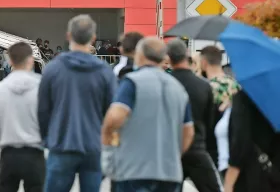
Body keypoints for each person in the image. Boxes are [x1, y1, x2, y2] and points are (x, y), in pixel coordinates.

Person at [102, 37, 194, 192]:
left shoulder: (132, 82)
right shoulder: (178, 88)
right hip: (170, 173)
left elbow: (113, 119)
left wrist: (107, 150)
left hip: (133, 170)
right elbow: (188, 132)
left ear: (140, 55)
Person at [38, 14, 115, 192]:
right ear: (93, 38)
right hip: (94, 146)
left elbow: (43, 110)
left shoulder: (53, 69)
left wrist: (47, 138)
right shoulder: (105, 72)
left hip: (61, 144)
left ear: (68, 36)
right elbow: (112, 112)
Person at [0, 42, 44, 192]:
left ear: (10, 60)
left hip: (9, 153)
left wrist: (5, 142)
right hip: (35, 153)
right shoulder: (42, 87)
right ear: (31, 60)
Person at [167, 39, 222, 192]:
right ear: (187, 56)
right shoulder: (203, 85)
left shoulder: (166, 84)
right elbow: (210, 122)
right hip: (197, 148)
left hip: (170, 151)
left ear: (169, 58)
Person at [223, 90, 280, 192]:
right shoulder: (276, 95)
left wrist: (229, 181)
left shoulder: (245, 96)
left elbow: (240, 140)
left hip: (253, 174)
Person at [199, 46, 241, 167]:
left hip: (212, 145)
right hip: (233, 142)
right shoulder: (235, 84)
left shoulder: (207, 87)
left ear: (204, 62)